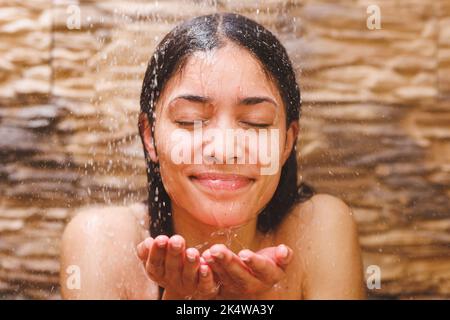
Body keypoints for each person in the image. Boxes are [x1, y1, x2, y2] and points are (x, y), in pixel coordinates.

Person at [60, 13, 365, 300]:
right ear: (149, 136)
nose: (224, 150)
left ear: (287, 142)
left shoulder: (318, 230)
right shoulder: (102, 241)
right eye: (190, 119)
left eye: (256, 122)